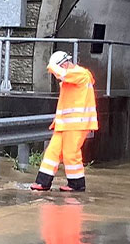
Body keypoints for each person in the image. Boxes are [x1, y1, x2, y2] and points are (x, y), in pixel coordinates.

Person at [31, 50, 98, 192]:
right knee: (52, 152)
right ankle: (43, 183)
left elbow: (62, 74)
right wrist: (58, 121)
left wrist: (52, 66)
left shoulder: (80, 74)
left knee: (71, 153)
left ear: (65, 65)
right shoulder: (71, 78)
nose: (56, 77)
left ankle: (77, 184)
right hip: (65, 124)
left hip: (77, 124)